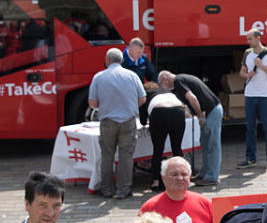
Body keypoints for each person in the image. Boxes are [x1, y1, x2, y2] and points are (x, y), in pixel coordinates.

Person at [89, 48, 146, 199]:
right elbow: (142, 99)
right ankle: (123, 190)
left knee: (107, 155)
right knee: (126, 155)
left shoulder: (99, 77)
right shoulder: (132, 76)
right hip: (128, 120)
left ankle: (106, 189)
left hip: (107, 121)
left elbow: (92, 103)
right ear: (121, 60)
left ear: (107, 60)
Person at [159, 70, 222, 187]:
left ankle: (212, 176)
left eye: (162, 85)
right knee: (205, 143)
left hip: (210, 111)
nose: (166, 89)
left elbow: (192, 98)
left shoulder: (178, 81)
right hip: (208, 111)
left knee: (212, 144)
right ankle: (204, 173)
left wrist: (199, 117)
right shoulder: (182, 80)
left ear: (166, 79)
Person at [238, 29, 267, 169]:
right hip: (250, 95)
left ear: (258, 38)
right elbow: (241, 73)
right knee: (250, 128)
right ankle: (251, 158)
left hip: (264, 95)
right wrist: (247, 75)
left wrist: (262, 66)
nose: (248, 42)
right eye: (247, 39)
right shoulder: (247, 54)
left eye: (250, 39)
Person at [142, 82, 186, 192]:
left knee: (158, 150)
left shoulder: (144, 94)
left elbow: (143, 120)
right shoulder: (166, 91)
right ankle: (183, 179)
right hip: (178, 111)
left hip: (159, 112)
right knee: (177, 148)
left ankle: (156, 181)